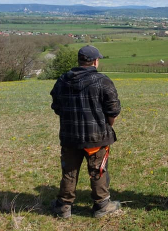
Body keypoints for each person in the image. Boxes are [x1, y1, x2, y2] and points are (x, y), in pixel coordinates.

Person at [50, 45, 121, 218]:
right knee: (98, 170)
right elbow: (113, 110)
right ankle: (102, 204)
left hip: (69, 136)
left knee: (69, 171)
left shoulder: (62, 80)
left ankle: (64, 206)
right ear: (95, 62)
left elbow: (56, 106)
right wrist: (107, 125)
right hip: (97, 137)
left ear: (79, 61)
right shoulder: (103, 81)